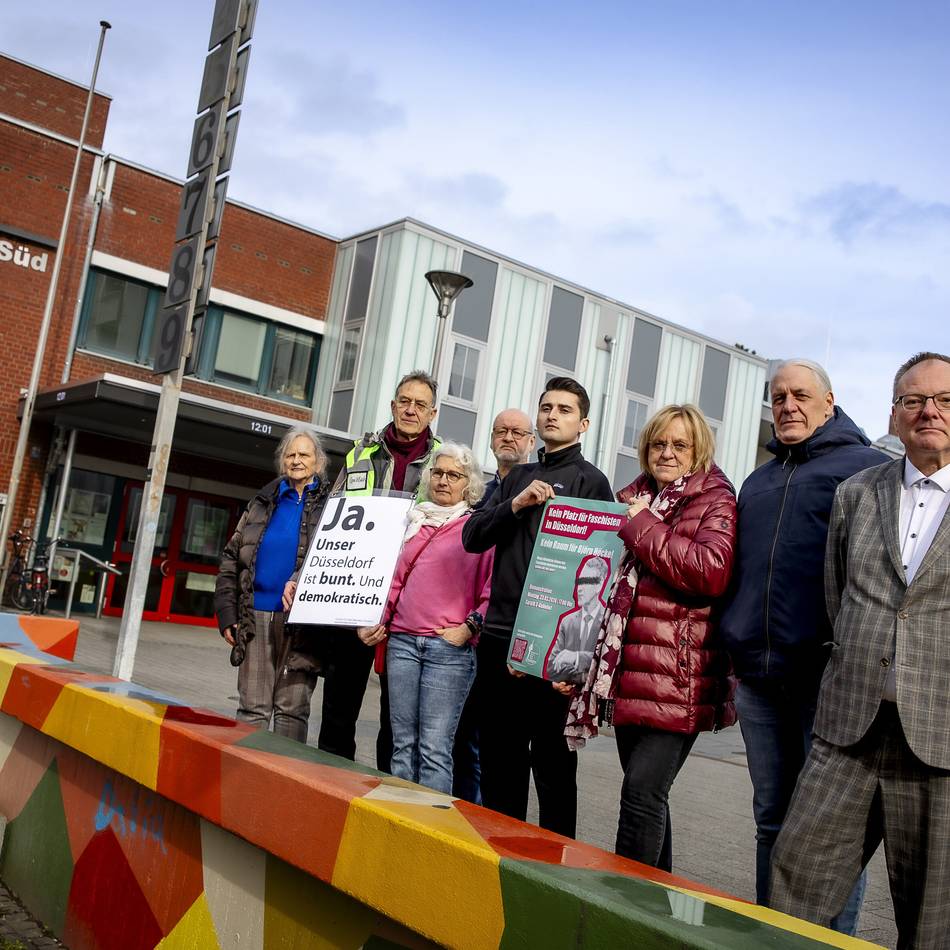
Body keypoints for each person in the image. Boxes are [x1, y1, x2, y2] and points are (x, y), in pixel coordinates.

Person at [771, 352, 950, 949]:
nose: (929, 412)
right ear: (894, 416)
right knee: (793, 888)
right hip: (848, 731)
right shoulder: (856, 493)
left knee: (931, 922)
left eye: (944, 400)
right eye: (913, 401)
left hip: (939, 742)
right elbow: (837, 592)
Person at [718, 358, 886, 932]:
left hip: (825, 679)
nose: (787, 405)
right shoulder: (758, 480)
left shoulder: (867, 471)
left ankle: (827, 943)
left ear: (830, 402)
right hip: (759, 680)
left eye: (800, 396)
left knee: (829, 833)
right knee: (771, 819)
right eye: (778, 396)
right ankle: (771, 934)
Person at [570, 405, 737, 870]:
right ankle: (659, 906)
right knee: (647, 797)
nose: (666, 453)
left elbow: (709, 572)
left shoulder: (715, 499)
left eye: (679, 445)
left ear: (697, 450)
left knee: (641, 794)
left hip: (677, 676)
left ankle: (626, 905)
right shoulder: (634, 498)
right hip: (629, 671)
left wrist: (642, 523)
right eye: (658, 444)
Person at [463, 377, 613, 838]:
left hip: (554, 647)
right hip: (501, 638)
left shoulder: (593, 482)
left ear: (583, 423)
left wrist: (580, 661)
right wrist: (516, 503)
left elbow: (602, 570)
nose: (552, 415)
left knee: (551, 766)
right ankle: (501, 856)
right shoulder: (518, 477)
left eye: (564, 409)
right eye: (546, 407)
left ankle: (555, 868)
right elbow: (472, 537)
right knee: (500, 759)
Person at [289, 370, 442, 768]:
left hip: (410, 604)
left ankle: (382, 802)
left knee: (398, 722)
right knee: (338, 713)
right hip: (354, 596)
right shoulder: (361, 452)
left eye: (420, 404)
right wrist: (304, 575)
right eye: (404, 401)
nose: (410, 410)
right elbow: (330, 520)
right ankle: (331, 790)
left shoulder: (443, 461)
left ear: (433, 412)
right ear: (393, 405)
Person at [357, 443, 493, 794]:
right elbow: (393, 580)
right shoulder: (411, 522)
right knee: (402, 744)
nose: (443, 480)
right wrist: (375, 619)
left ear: (469, 484)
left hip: (447, 651)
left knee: (434, 748)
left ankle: (429, 834)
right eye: (438, 472)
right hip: (401, 641)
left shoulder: (478, 528)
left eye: (454, 475)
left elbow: (492, 591)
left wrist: (468, 629)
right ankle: (397, 825)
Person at [215, 425, 329, 742]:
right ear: (282, 461)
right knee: (252, 708)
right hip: (255, 616)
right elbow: (230, 558)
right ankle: (243, 777)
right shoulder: (262, 502)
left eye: (304, 454)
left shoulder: (332, 507)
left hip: (301, 622)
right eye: (290, 454)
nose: (296, 460)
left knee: (292, 711)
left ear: (318, 462)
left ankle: (283, 784)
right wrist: (227, 612)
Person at [545, 555, 610, 684]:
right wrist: (584, 675)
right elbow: (552, 669)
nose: (579, 588)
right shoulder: (567, 622)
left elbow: (607, 665)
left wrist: (576, 657)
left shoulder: (609, 621)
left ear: (599, 584)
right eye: (579, 581)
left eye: (586, 581)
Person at [475, 408, 536, 510]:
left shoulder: (538, 493)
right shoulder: (477, 497)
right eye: (501, 431)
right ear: (491, 439)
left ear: (532, 442)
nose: (508, 438)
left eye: (517, 433)